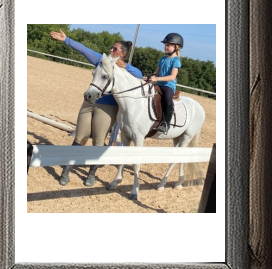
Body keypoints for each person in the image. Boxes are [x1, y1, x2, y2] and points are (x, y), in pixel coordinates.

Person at [50, 29, 143, 186]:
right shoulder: (101, 60)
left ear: (122, 54)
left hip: (108, 108)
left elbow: (139, 75)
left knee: (99, 142)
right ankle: (66, 170)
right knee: (80, 137)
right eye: (111, 48)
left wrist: (125, 66)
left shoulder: (128, 70)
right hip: (89, 103)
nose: (110, 50)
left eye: (114, 49)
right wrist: (67, 40)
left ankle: (91, 173)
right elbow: (85, 50)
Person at [145, 33, 183, 134]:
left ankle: (165, 124)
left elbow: (172, 77)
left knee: (167, 100)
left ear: (176, 47)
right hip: (158, 84)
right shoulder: (162, 59)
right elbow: (156, 72)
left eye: (168, 45)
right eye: (165, 45)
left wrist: (156, 78)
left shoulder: (176, 61)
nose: (165, 47)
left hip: (168, 85)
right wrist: (149, 77)